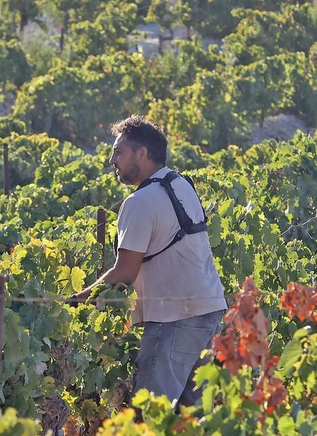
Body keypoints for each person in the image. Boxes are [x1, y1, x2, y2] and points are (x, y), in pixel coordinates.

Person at [73, 115, 227, 410]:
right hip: (208, 313)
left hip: (174, 318)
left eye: (119, 152)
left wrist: (79, 300)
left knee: (150, 418)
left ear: (142, 154)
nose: (111, 160)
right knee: (189, 422)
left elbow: (125, 273)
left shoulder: (139, 202)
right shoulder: (181, 185)